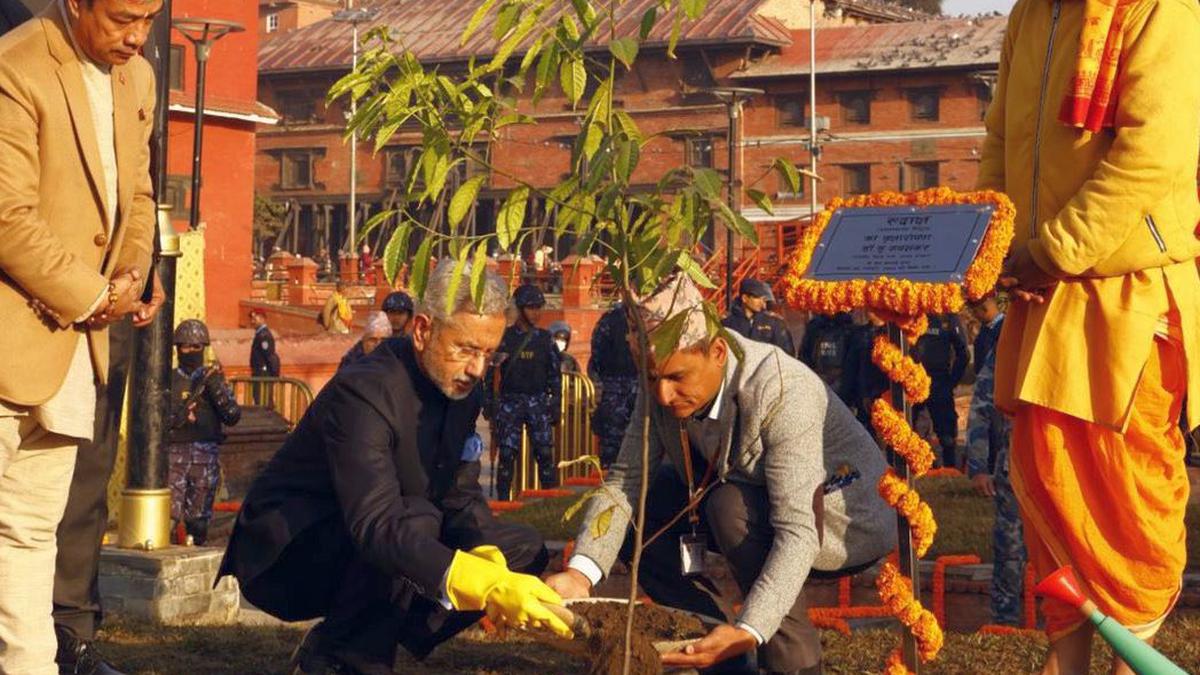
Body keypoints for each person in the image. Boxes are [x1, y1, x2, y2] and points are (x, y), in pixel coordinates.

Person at [980, 0, 1200, 669]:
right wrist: (991, 243)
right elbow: (998, 142)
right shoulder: (1030, 15)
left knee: (1131, 501)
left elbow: (1154, 150)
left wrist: (1052, 249)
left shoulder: (1164, 8)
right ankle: (1067, 661)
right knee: (1051, 489)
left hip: (1127, 292)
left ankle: (1135, 661)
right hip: (1041, 291)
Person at [218, 261, 570, 674]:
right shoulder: (365, 390)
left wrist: (486, 556)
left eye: (488, 354)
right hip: (294, 550)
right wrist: (478, 583)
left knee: (522, 549)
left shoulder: (462, 393)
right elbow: (375, 523)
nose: (477, 368)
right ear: (422, 331)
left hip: (382, 533)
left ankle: (368, 633)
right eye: (467, 349)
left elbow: (460, 494)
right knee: (415, 520)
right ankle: (345, 656)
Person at [545, 275, 895, 674]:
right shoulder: (662, 377)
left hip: (841, 519)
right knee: (646, 504)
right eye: (653, 378)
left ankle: (794, 662)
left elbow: (799, 530)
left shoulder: (782, 390)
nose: (662, 396)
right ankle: (711, 641)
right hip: (743, 488)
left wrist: (751, 626)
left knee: (730, 508)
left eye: (677, 378)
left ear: (717, 351)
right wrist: (581, 572)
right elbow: (627, 477)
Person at [0, 1, 160, 672]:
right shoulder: (16, 66)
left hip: (73, 346)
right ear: (75, 4)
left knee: (33, 533)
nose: (138, 36)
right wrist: (95, 295)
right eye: (124, 17)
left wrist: (131, 272)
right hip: (12, 336)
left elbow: (142, 195)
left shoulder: (139, 79)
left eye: (150, 17)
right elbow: (7, 216)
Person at [166, 319, 240, 546]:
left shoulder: (211, 378)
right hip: (174, 453)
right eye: (185, 346)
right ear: (177, 348)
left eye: (196, 347)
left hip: (204, 454)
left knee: (198, 519)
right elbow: (155, 417)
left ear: (204, 347)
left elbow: (232, 416)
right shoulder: (169, 379)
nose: (190, 351)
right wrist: (177, 418)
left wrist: (216, 389)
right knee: (167, 516)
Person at [966, 347, 1025, 627]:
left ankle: (1072, 628)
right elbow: (981, 406)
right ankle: (1005, 623)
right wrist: (977, 466)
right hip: (1015, 465)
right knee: (1010, 550)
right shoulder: (1012, 341)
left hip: (1066, 470)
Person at [484, 284, 561, 500]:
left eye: (538, 307)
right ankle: (503, 504)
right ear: (519, 308)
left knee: (545, 454)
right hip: (510, 402)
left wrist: (555, 404)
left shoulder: (545, 340)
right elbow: (492, 375)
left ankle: (551, 503)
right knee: (507, 455)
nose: (536, 313)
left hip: (538, 401)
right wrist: (489, 404)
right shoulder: (504, 338)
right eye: (530, 308)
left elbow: (555, 375)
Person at [911, 313, 968, 468]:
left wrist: (951, 381)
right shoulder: (911, 313)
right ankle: (917, 469)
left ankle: (950, 471)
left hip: (940, 382)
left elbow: (963, 353)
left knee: (947, 435)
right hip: (913, 382)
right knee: (911, 432)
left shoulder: (947, 318)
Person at [588, 303, 638, 469]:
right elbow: (596, 357)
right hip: (614, 391)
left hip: (642, 390)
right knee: (611, 449)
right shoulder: (610, 320)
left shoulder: (651, 316)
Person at [723, 278, 795, 355]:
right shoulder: (727, 324)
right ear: (745, 298)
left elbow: (787, 354)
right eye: (757, 297)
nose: (761, 302)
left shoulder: (774, 323)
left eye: (763, 298)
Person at [797, 312, 856, 406]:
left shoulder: (849, 328)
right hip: (819, 379)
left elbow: (854, 360)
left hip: (840, 382)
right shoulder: (814, 327)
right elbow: (804, 355)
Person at [249, 308, 280, 407]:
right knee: (260, 399)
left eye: (255, 319)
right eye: (251, 319)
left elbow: (270, 356)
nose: (252, 322)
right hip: (259, 373)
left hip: (263, 374)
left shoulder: (264, 336)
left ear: (262, 319)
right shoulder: (260, 334)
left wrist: (274, 374)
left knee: (263, 400)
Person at [969, 296, 1005, 376]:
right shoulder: (985, 328)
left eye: (975, 312)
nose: (974, 316)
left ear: (985, 309)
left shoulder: (1005, 328)